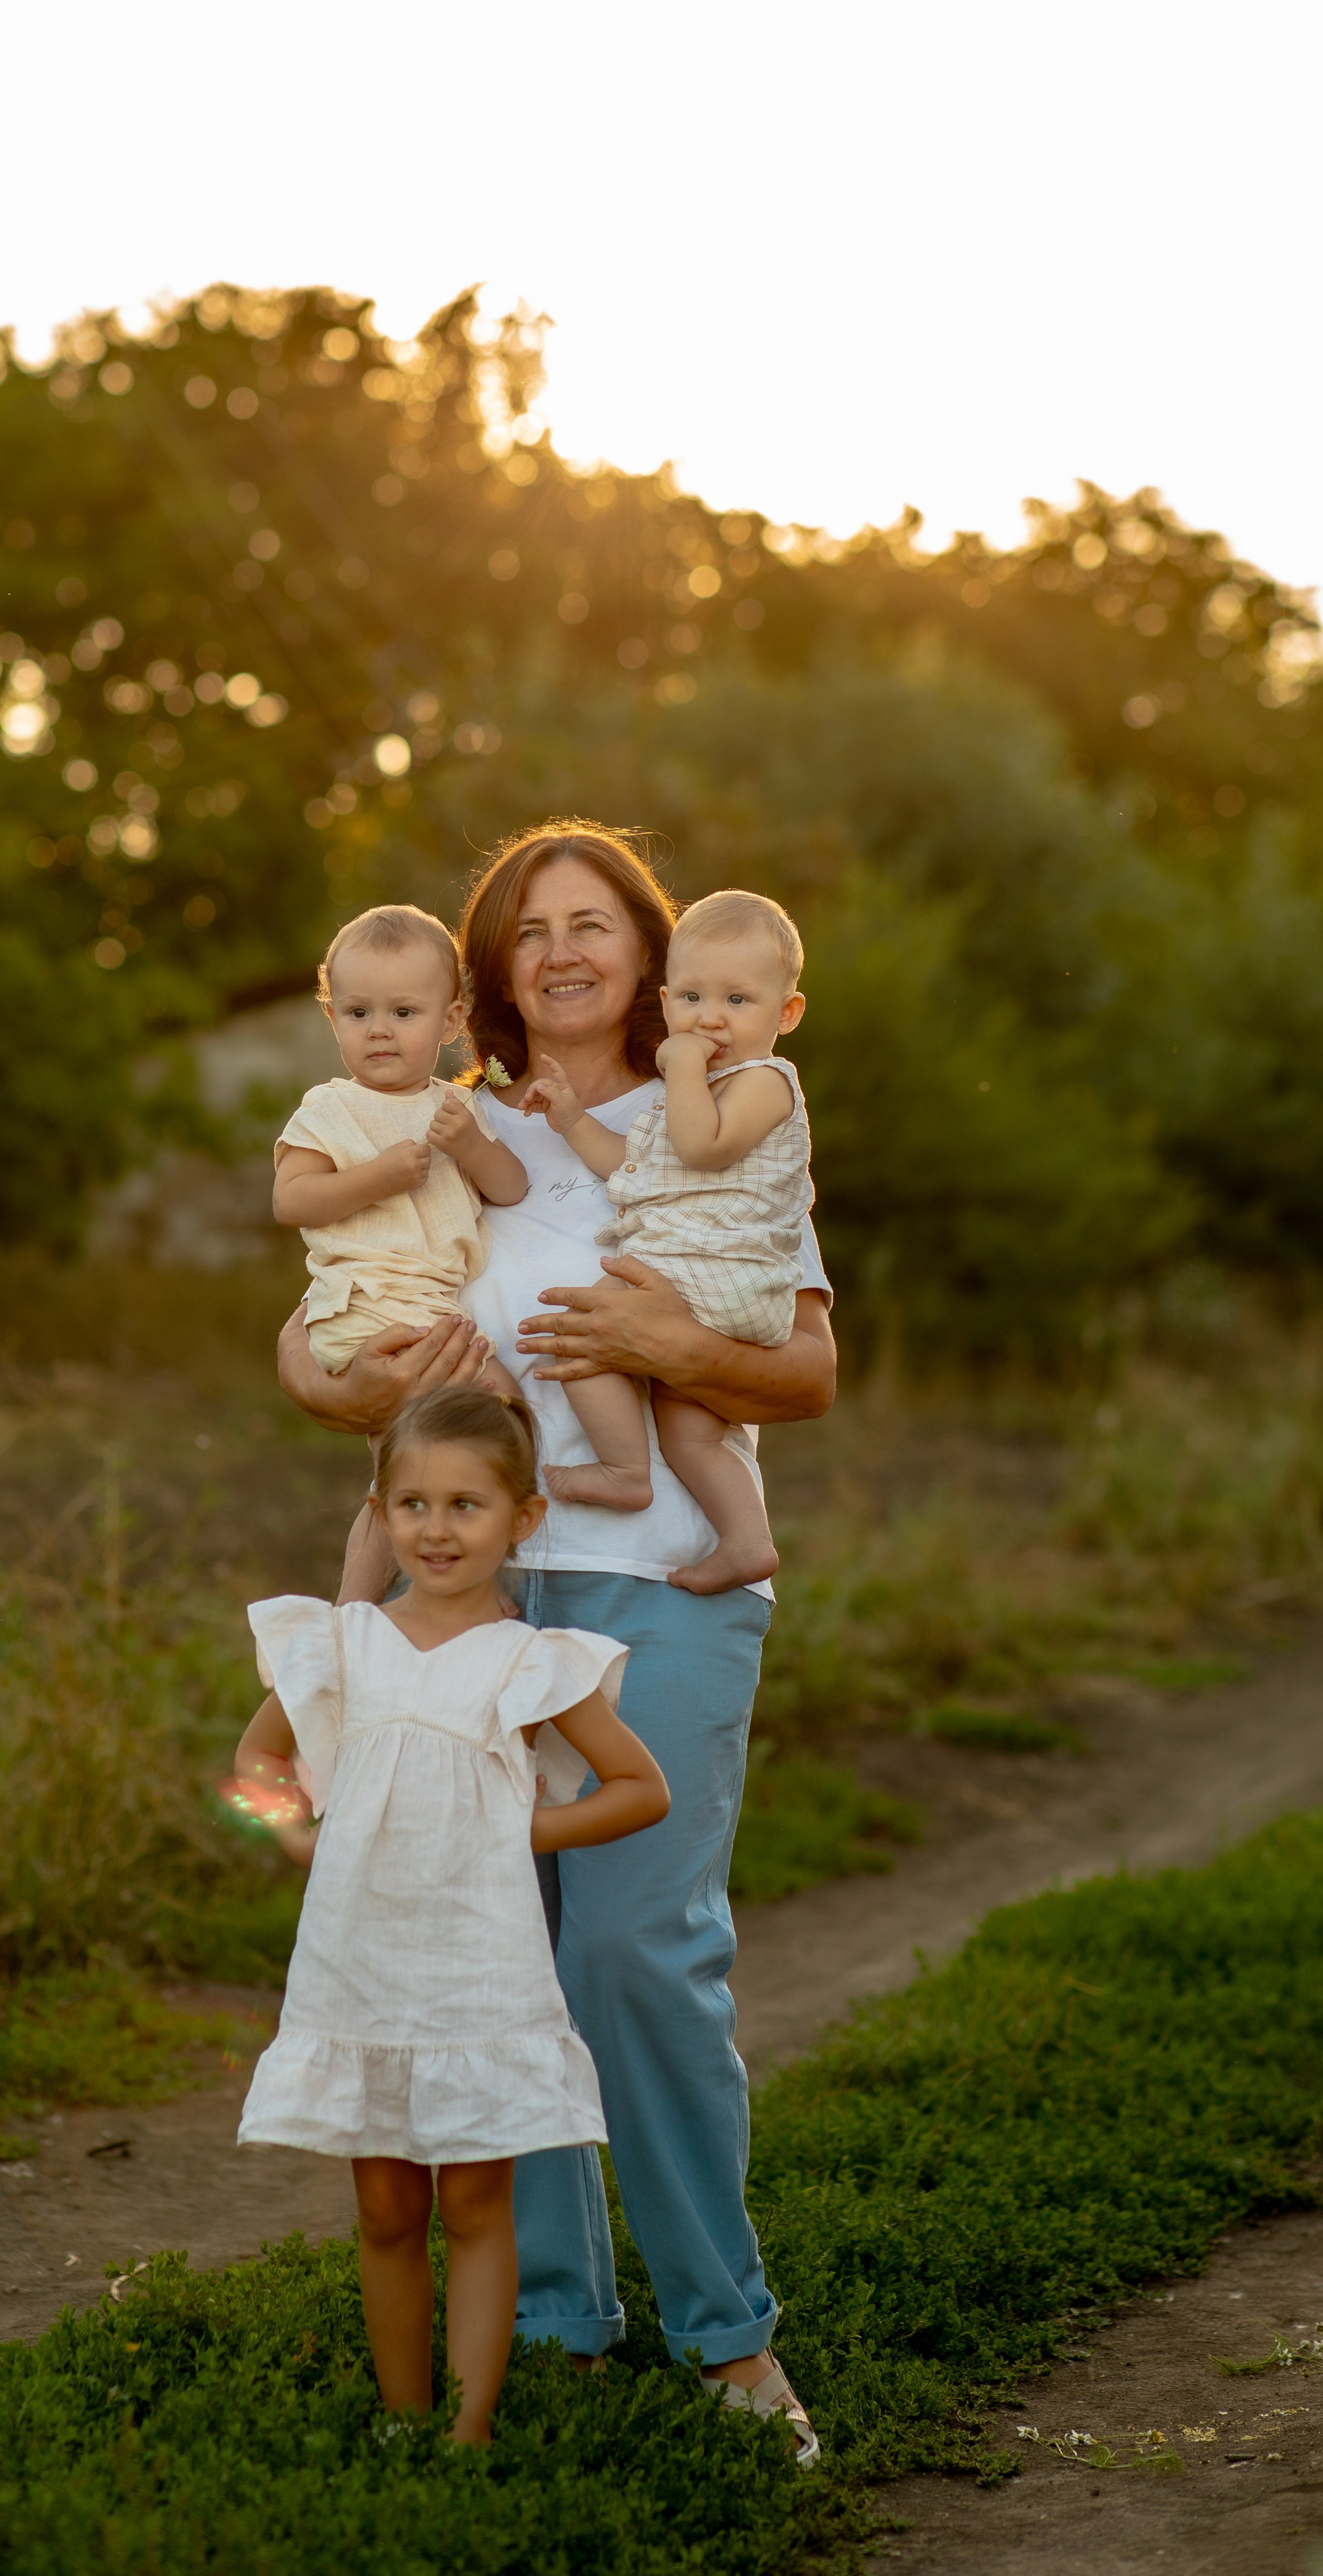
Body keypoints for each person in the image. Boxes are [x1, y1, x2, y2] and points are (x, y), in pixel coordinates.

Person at [277, 819, 835, 2465]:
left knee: (632, 1952)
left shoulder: (719, 1108)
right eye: (532, 929)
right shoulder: (444, 1121)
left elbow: (804, 1369)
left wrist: (660, 1336)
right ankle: (549, 2320)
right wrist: (359, 1382)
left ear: (648, 950)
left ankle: (727, 2334)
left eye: (594, 921)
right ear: (489, 970)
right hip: (476, 1597)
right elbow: (312, 1341)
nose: (565, 949)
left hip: (666, 1583)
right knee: (488, 1955)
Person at [231, 1385, 669, 2446]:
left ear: (523, 1517)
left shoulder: (531, 1662)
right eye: (413, 1503)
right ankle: (404, 2420)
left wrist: (519, 1829)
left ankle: (467, 2435)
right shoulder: (341, 1645)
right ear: (380, 1513)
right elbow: (255, 1761)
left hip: (479, 1968)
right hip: (360, 1962)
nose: (436, 1529)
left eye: (466, 1505)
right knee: (386, 2210)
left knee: (475, 2206)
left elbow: (640, 1789)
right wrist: (296, 1835)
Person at [275, 899, 671, 1501]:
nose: (379, 1029)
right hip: (370, 1303)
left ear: (450, 1019)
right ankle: (420, 1518)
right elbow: (291, 1200)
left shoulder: (458, 1106)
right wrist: (379, 1177)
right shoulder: (331, 1107)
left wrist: (470, 1147)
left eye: (403, 1012)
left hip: (436, 1310)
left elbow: (510, 1187)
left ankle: (513, 1504)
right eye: (358, 1012)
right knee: (425, 1438)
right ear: (333, 1018)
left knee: (492, 1410)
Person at [524, 887, 811, 1592]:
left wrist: (680, 1069)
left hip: (715, 1272)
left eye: (737, 1000)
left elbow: (701, 1148)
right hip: (713, 1287)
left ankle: (624, 1471)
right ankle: (747, 1540)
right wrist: (571, 1120)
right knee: (691, 1428)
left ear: (786, 1013)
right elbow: (634, 1168)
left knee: (582, 1333)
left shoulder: (766, 1082)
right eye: (690, 998)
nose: (709, 1018)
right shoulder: (683, 1097)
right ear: (664, 1000)